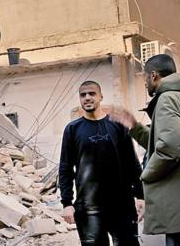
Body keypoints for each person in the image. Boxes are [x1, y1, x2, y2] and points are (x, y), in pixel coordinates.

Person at [110, 54, 180, 246]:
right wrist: (134, 127)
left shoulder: (167, 98)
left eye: (145, 78)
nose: (145, 84)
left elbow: (172, 146)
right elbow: (163, 140)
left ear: (154, 76)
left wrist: (147, 175)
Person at [59, 80, 144, 246]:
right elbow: (65, 168)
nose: (87, 98)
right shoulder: (72, 129)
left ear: (100, 96)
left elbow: (131, 162)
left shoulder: (118, 126)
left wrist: (140, 195)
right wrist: (67, 203)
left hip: (122, 206)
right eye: (83, 95)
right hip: (89, 209)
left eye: (92, 93)